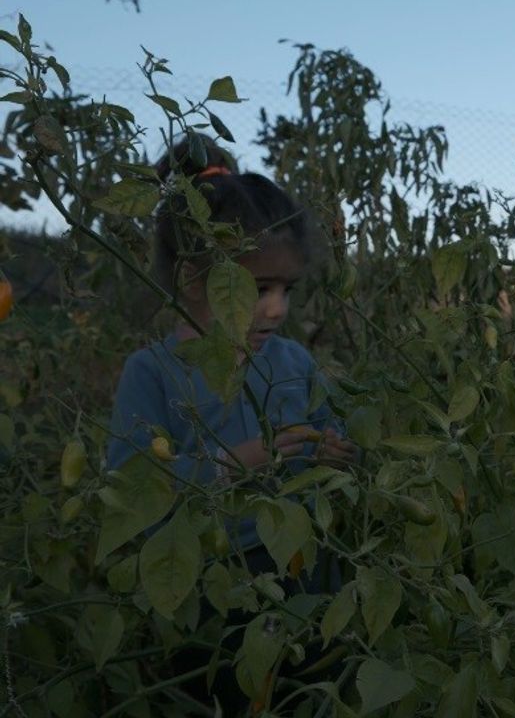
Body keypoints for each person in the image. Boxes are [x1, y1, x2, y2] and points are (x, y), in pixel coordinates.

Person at [104, 134, 356, 707]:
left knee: (305, 688)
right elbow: (130, 493)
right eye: (259, 288)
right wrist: (238, 461)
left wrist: (333, 450)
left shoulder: (294, 362)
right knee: (221, 692)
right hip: (207, 578)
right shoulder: (154, 372)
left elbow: (332, 433)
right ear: (195, 278)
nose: (277, 309)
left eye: (286, 289)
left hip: (302, 565)